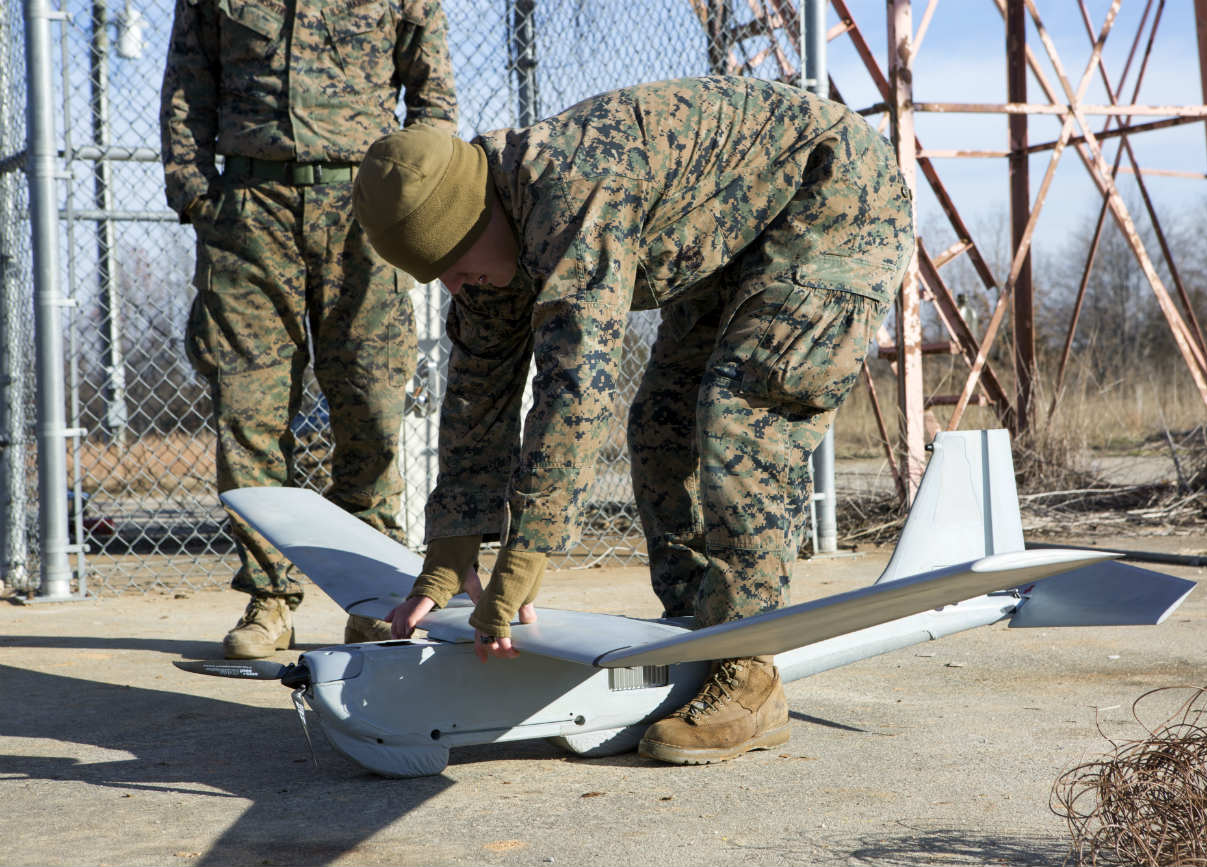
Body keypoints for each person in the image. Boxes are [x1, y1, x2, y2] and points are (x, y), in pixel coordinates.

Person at [354, 75, 914, 764]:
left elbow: (576, 389)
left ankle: (748, 664)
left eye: (456, 265)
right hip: (739, 234)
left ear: (478, 219)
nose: (454, 285)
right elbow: (478, 396)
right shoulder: (489, 251)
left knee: (739, 416)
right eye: (435, 273)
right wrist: (449, 553)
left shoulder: (570, 190)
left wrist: (526, 552)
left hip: (836, 198)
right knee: (660, 423)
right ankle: (693, 632)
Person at [159, 0, 458, 658]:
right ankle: (269, 598)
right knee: (248, 412)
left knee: (372, 405)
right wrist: (194, 192)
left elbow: (432, 91)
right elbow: (187, 82)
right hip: (247, 213)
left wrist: (414, 193)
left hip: (364, 210)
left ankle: (374, 597)